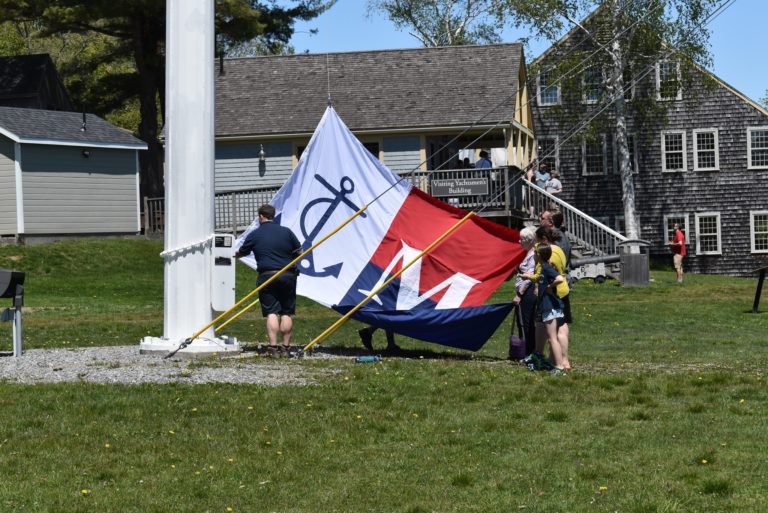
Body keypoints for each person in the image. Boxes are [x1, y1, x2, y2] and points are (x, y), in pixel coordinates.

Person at [234, 204, 301, 358]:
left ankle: (273, 348)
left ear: (261, 216)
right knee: (286, 312)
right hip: (287, 275)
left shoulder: (255, 234)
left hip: (267, 275)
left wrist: (231, 256)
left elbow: (242, 252)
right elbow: (300, 252)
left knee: (271, 312)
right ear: (273, 216)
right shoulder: (287, 232)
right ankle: (286, 348)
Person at [532, 243, 567, 375]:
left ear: (539, 255)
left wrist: (549, 286)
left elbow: (559, 279)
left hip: (550, 307)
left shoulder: (546, 267)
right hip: (544, 307)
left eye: (535, 253)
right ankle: (543, 359)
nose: (533, 255)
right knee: (550, 336)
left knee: (552, 338)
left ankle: (559, 367)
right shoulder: (543, 268)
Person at [513, 227, 537, 357]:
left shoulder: (533, 255)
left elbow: (529, 278)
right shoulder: (528, 253)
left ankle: (529, 352)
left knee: (527, 322)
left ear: (530, 240)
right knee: (522, 321)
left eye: (522, 239)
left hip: (528, 292)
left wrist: (519, 294)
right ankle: (526, 351)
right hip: (525, 291)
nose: (519, 241)